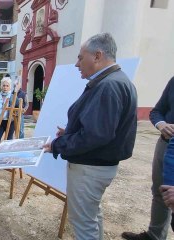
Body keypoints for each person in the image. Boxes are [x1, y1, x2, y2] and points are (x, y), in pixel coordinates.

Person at [43, 33, 137, 240]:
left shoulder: (108, 85)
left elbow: (95, 136)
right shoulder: (114, 81)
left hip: (90, 168)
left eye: (80, 57)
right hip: (97, 165)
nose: (77, 64)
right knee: (92, 217)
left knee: (84, 224)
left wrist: (58, 144)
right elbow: (100, 126)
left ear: (97, 56)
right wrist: (70, 132)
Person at [122, 76, 174, 240]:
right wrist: (161, 124)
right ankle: (155, 235)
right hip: (165, 145)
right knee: (160, 192)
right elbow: (157, 111)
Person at [0, 77, 19, 149]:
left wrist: (16, 114)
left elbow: (18, 108)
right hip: (0, 121)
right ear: (1, 86)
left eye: (7, 86)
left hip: (10, 122)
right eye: (3, 85)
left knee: (8, 141)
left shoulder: (13, 97)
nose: (5, 87)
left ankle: (6, 156)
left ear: (10, 87)